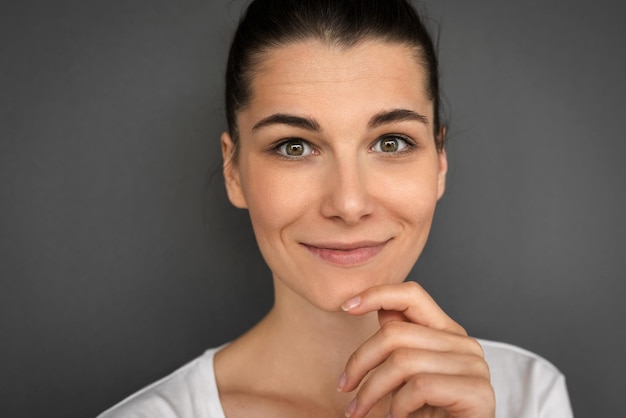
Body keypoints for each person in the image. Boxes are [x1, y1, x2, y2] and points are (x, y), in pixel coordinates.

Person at [99, 0, 573, 417]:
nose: (348, 204)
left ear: (440, 163)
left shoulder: (528, 395)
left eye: (391, 141)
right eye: (293, 147)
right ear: (234, 170)